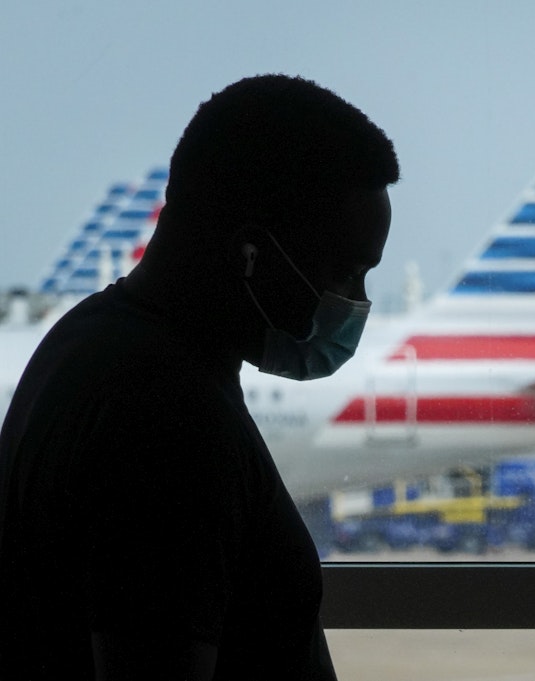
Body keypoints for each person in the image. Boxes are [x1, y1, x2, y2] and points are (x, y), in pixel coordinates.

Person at [0, 74, 399, 680]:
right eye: (344, 272)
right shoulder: (165, 415)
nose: (355, 303)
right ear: (250, 254)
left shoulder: (88, 337)